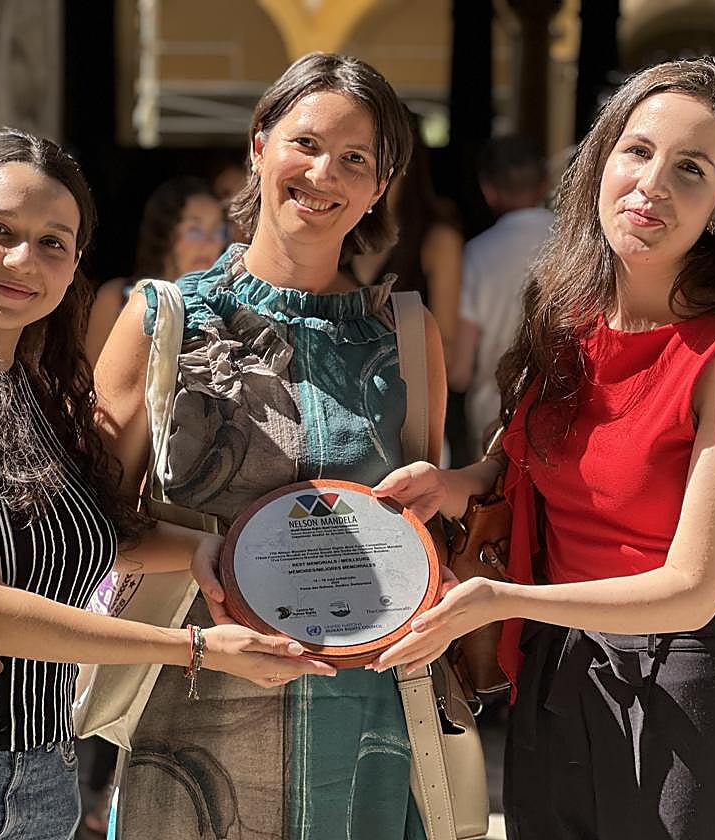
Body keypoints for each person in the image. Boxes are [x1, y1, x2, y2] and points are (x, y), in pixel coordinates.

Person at [371, 58, 715, 839]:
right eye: (638, 151)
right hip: (560, 672)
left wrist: (504, 602)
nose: (652, 184)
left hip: (688, 688)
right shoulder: (567, 319)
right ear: (600, 165)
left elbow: (693, 589)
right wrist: (457, 482)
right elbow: (522, 461)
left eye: (691, 169)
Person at [0, 128, 332, 840]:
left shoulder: (35, 392)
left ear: (73, 268)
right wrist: (192, 649)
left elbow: (86, 537)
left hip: (44, 775)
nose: (22, 260)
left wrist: (209, 549)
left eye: (52, 243)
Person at [94, 53, 449, 839]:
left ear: (380, 187)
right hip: (192, 714)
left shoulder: (406, 336)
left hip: (360, 727)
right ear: (260, 146)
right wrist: (194, 551)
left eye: (355, 159)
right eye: (306, 144)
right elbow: (92, 524)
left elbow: (429, 526)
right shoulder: (162, 321)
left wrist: (436, 562)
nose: (325, 174)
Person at [450, 134, 554, 457]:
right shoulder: (579, 243)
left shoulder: (476, 254)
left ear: (487, 189)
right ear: (546, 181)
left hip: (493, 425)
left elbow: (459, 371)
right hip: (566, 414)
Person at [347, 111, 464, 363]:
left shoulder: (438, 240)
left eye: (387, 159)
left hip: (406, 383)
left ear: (409, 164)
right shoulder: (336, 227)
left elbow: (447, 350)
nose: (375, 172)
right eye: (357, 157)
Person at [85, 176, 225, 364]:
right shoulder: (116, 298)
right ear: (166, 233)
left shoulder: (224, 307)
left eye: (218, 230)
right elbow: (90, 378)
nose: (209, 243)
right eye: (195, 229)